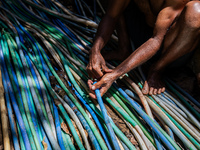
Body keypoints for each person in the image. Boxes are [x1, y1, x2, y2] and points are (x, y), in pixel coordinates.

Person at [86, 0, 200, 99]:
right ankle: (123, 49)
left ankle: (157, 69)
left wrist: (115, 74)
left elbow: (156, 40)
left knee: (196, 10)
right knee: (117, 5)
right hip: (141, 35)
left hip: (168, 48)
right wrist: (95, 50)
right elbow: (111, 16)